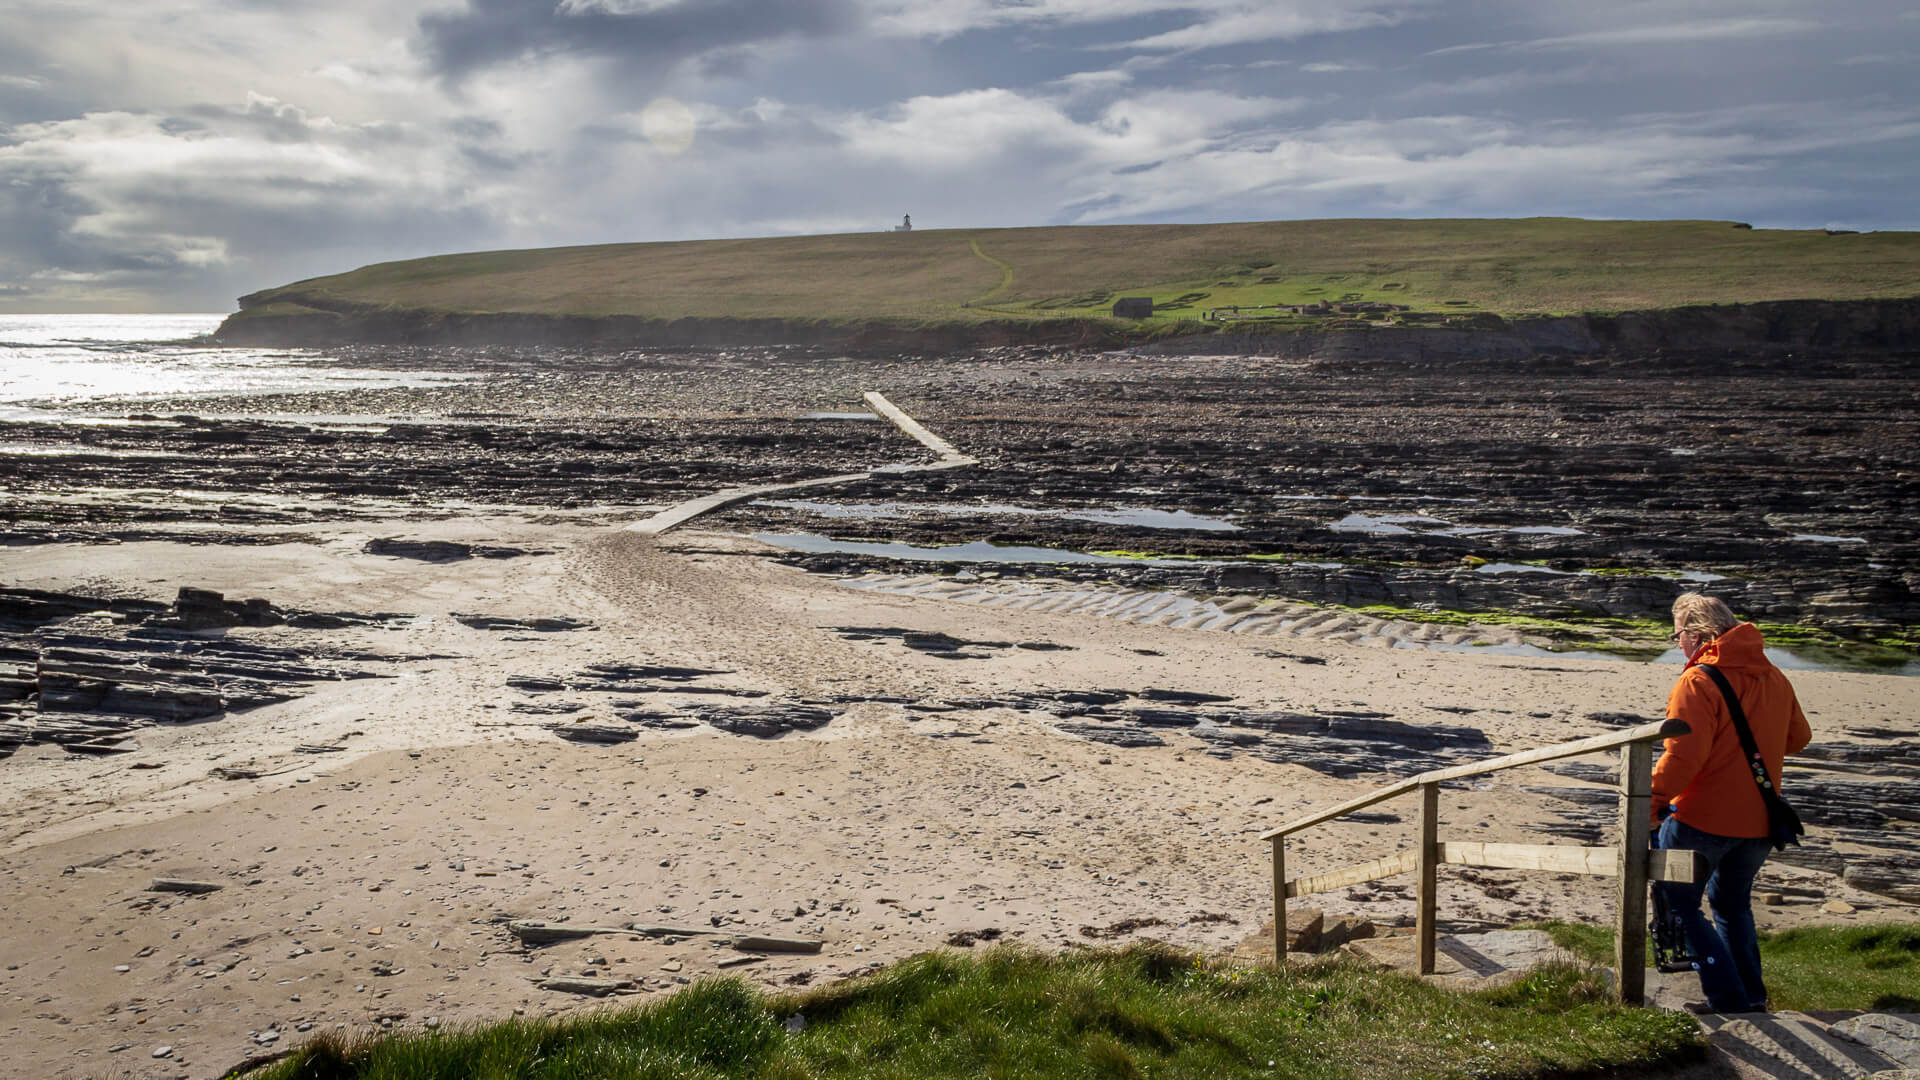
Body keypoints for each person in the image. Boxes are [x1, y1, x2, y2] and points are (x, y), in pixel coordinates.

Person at [1651, 593, 1811, 1013]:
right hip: (1761, 819)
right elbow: (1798, 739)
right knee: (1732, 904)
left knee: (1682, 905)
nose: (1678, 644)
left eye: (1678, 635)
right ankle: (1752, 996)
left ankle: (1727, 998)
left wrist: (1650, 802)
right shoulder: (1773, 676)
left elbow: (1683, 756)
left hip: (1702, 818)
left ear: (1697, 633)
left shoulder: (1697, 680)